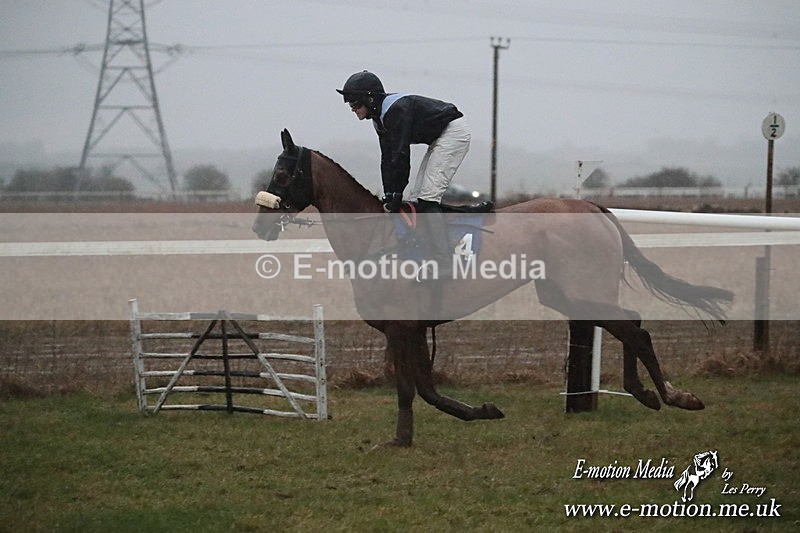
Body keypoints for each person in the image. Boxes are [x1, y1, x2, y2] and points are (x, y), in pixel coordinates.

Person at [336, 70, 471, 279]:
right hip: (440, 137)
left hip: (453, 133)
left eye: (355, 104)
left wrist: (396, 193)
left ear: (370, 99)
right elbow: (386, 159)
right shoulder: (378, 118)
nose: (353, 109)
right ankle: (432, 251)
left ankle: (445, 262)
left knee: (427, 198)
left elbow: (400, 156)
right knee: (419, 198)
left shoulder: (394, 111)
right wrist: (389, 194)